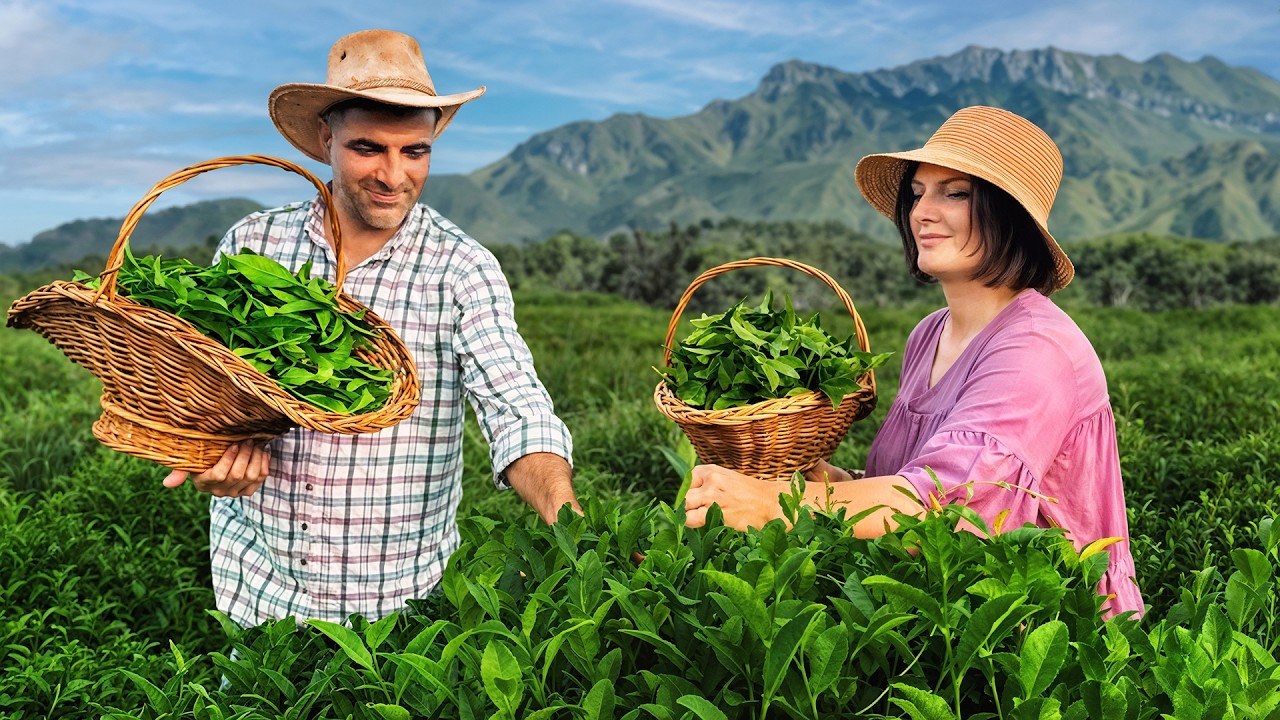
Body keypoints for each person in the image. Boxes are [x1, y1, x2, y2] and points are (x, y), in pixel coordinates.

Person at [160, 29, 579, 628]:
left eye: (415, 152)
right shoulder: (254, 244)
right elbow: (204, 389)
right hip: (261, 596)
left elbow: (515, 405)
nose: (393, 174)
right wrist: (211, 452)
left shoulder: (461, 267)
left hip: (397, 610)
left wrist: (568, 521)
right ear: (325, 140)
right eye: (367, 148)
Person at [683, 106, 1144, 618]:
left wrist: (774, 507)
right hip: (941, 610)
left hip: (1041, 630)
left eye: (955, 193)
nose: (922, 212)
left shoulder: (1036, 349)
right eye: (919, 192)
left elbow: (947, 507)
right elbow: (914, 477)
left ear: (1010, 214)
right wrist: (828, 482)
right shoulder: (929, 334)